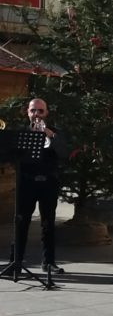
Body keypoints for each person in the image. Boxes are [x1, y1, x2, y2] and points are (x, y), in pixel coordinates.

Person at [15, 98, 67, 274]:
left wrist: (48, 134)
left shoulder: (54, 132)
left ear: (46, 113)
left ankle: (49, 262)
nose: (36, 114)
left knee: (48, 223)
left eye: (40, 111)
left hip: (48, 183)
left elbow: (63, 152)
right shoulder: (21, 133)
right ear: (27, 113)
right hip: (26, 183)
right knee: (21, 222)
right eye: (33, 111)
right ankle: (17, 261)